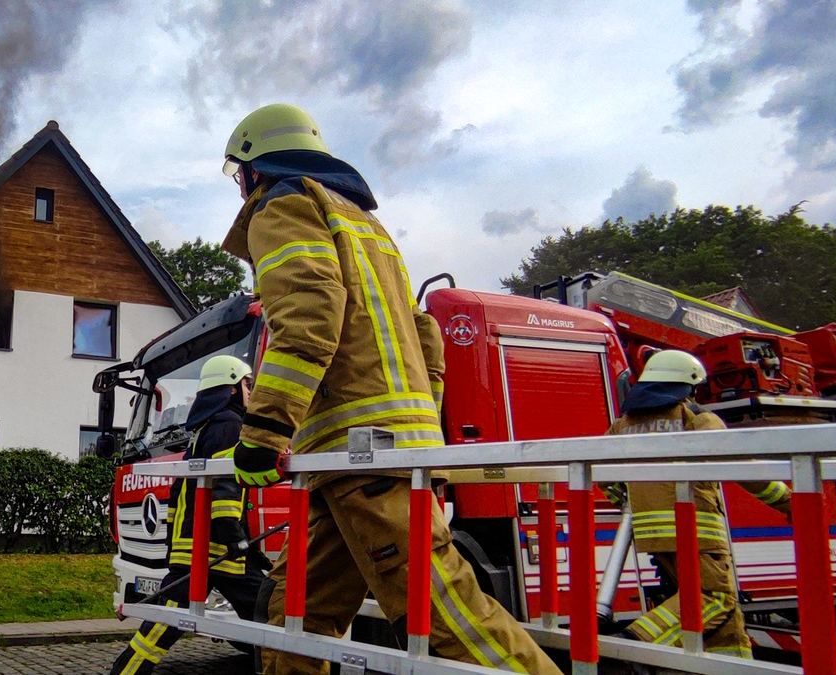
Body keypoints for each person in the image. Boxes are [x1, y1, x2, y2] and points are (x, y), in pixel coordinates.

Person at [222, 103, 561, 675]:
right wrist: (418, 423)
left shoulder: (282, 206)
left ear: (257, 167)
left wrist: (264, 431)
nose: (239, 189)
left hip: (362, 454)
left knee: (448, 617)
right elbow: (426, 334)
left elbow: (307, 315)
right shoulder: (365, 225)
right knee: (295, 617)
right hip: (361, 456)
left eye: (238, 175)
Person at [606, 349, 791, 659]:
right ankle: (635, 641)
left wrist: (632, 499)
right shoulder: (696, 418)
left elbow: (603, 476)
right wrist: (788, 501)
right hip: (698, 531)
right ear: (686, 385)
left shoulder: (621, 425)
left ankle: (734, 664)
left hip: (651, 535)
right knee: (714, 597)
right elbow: (739, 464)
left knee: (724, 619)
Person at [109, 355, 270, 675]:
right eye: (247, 383)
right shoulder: (229, 424)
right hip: (210, 548)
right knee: (164, 625)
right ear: (233, 387)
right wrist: (233, 535)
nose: (251, 390)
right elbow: (223, 485)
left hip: (204, 546)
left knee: (265, 617)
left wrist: (245, 547)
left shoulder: (210, 425)